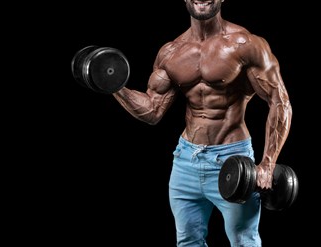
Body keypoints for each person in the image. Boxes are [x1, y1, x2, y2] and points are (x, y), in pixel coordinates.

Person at [111, 0, 292, 246]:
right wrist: (114, 86)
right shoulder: (171, 52)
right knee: (187, 241)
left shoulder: (246, 44)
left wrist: (268, 162)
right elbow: (153, 110)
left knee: (243, 240)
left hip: (232, 159)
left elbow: (279, 101)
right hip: (186, 161)